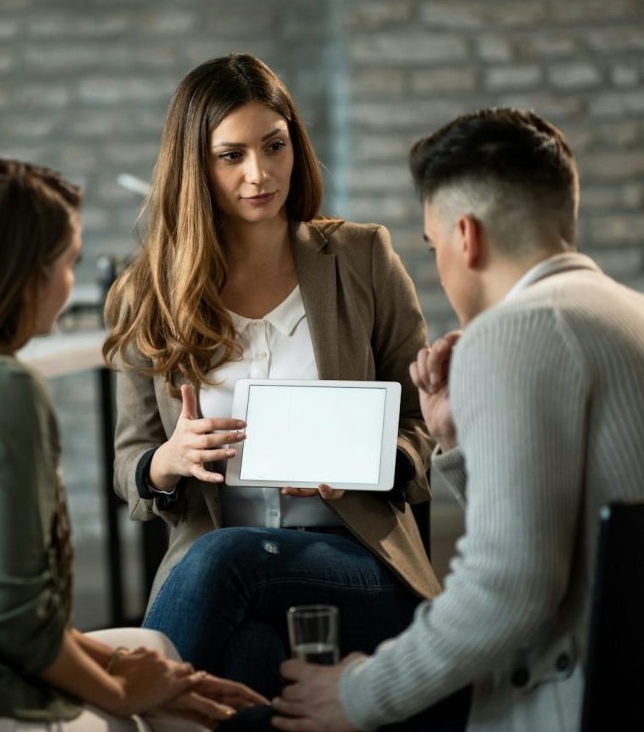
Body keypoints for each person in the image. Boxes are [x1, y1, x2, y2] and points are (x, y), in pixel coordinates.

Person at [272, 108, 644, 732]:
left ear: (465, 237)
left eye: (432, 244)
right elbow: (555, 526)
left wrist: (357, 695)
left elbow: (510, 585)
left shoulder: (514, 331)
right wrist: (454, 439)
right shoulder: (625, 314)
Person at [0, 158, 266, 732]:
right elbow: (13, 616)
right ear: (26, 274)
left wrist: (147, 673)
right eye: (68, 263)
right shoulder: (0, 387)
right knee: (154, 711)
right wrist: (123, 692)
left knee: (156, 647)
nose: (69, 282)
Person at [102, 53, 438, 699]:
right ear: (194, 166)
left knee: (224, 560)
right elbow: (129, 462)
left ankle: (127, 710)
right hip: (220, 565)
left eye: (274, 146)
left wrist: (369, 461)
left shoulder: (362, 257)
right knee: (249, 655)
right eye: (231, 156)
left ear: (295, 146)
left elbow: (422, 419)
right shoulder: (147, 292)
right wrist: (168, 461)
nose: (259, 173)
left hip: (354, 559)